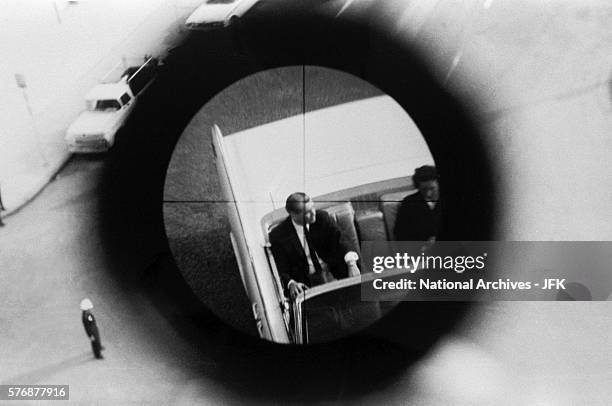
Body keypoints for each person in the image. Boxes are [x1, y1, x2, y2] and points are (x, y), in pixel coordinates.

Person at [270, 192, 360, 300]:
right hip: (307, 283)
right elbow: (281, 267)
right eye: (307, 212)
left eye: (313, 207)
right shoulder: (278, 235)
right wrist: (291, 283)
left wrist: (351, 264)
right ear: (293, 215)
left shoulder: (322, 217)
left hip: (333, 272)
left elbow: (341, 239)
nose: (313, 213)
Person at [394, 165, 441, 244]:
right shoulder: (409, 203)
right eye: (424, 189)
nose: (428, 194)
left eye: (432, 188)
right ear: (418, 187)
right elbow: (400, 234)